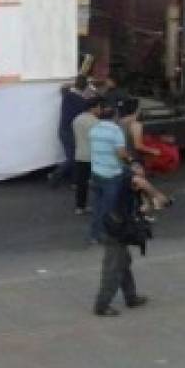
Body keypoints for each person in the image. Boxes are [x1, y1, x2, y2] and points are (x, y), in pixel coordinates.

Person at [93, 170, 150, 317]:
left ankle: (131, 297)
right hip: (113, 233)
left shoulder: (122, 184)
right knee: (113, 269)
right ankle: (102, 305)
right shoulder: (123, 188)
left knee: (123, 263)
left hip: (113, 230)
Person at [88, 100, 129, 244]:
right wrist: (130, 160)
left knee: (98, 206)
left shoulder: (94, 129)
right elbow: (121, 153)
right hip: (111, 174)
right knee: (109, 208)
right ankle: (106, 234)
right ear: (115, 116)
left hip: (96, 172)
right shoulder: (115, 130)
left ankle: (94, 234)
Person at [51, 76, 93, 187]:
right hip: (70, 131)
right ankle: (56, 175)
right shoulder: (81, 101)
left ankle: (74, 181)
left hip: (64, 129)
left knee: (74, 156)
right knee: (74, 157)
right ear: (85, 87)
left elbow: (64, 87)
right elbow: (90, 105)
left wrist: (73, 84)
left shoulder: (68, 95)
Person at [71, 97, 102, 215]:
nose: (100, 109)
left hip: (80, 154)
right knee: (98, 181)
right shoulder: (95, 122)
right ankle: (100, 204)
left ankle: (80, 206)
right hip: (93, 155)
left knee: (81, 183)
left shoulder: (76, 119)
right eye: (99, 107)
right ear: (93, 108)